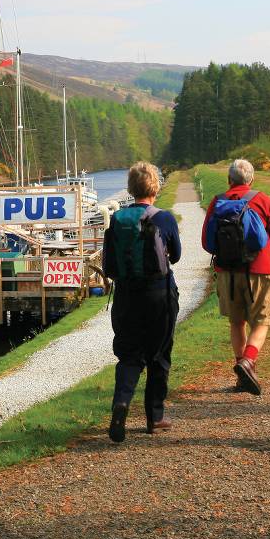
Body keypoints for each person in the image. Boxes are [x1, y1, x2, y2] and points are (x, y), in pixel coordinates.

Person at [102, 162, 182, 443]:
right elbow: (176, 257)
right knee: (159, 354)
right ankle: (155, 416)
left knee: (129, 355)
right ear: (155, 187)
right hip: (159, 294)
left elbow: (108, 265)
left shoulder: (117, 220)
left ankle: (121, 403)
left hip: (125, 296)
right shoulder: (164, 219)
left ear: (132, 187)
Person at [201, 159, 270, 395]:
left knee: (236, 322)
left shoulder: (217, 202)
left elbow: (207, 243)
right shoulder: (262, 200)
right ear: (251, 180)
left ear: (229, 180)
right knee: (261, 321)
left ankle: (242, 375)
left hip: (227, 273)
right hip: (260, 270)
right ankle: (247, 362)